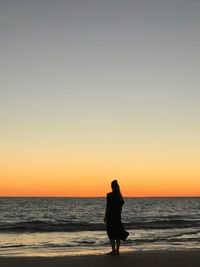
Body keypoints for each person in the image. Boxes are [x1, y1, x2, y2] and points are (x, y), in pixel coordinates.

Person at [104, 179, 129, 255]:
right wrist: (118, 214)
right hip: (117, 216)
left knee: (110, 233)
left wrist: (105, 216)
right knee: (117, 233)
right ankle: (117, 250)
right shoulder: (119, 196)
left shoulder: (109, 195)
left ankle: (113, 250)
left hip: (111, 216)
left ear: (111, 186)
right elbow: (120, 208)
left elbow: (107, 207)